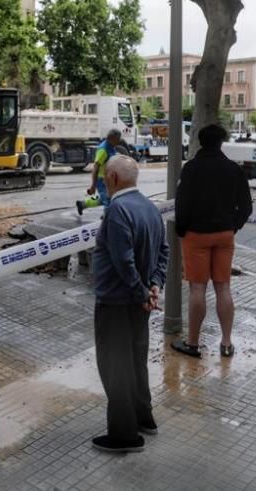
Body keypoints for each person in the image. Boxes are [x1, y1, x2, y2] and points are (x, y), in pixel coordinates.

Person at [90, 155, 168, 453]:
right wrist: (154, 287)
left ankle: (124, 435)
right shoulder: (149, 207)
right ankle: (143, 418)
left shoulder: (118, 210)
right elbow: (164, 250)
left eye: (103, 177)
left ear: (112, 179)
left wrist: (141, 292)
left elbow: (124, 262)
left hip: (117, 302)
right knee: (135, 361)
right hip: (138, 303)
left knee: (115, 365)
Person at [171, 124, 252, 358]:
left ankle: (193, 343)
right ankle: (226, 343)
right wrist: (233, 226)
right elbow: (246, 206)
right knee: (223, 287)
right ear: (221, 143)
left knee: (197, 288)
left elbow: (182, 204)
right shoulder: (233, 169)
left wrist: (182, 230)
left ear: (201, 142)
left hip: (196, 235)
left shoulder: (192, 169)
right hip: (225, 234)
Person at [77, 128, 123, 215]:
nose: (119, 141)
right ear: (111, 138)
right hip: (102, 180)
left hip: (109, 179)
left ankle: (82, 204)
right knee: (108, 202)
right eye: (118, 139)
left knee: (105, 199)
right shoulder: (103, 150)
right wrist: (93, 185)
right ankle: (107, 221)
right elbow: (95, 168)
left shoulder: (111, 147)